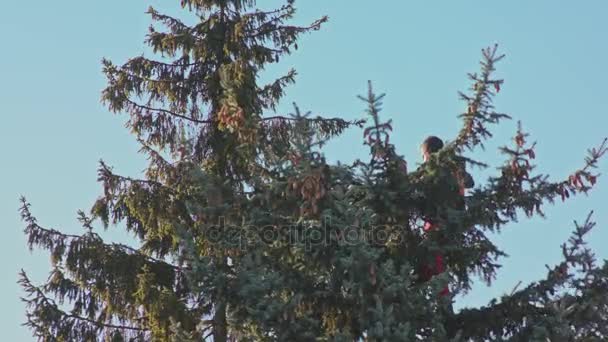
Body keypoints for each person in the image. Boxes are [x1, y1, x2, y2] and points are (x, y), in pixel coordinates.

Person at [418, 136, 474, 296]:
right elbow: (469, 182)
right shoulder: (452, 168)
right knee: (428, 258)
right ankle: (426, 287)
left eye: (423, 155)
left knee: (435, 258)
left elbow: (468, 182)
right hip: (447, 220)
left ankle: (443, 298)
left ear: (428, 153)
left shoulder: (440, 169)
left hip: (439, 221)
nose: (423, 160)